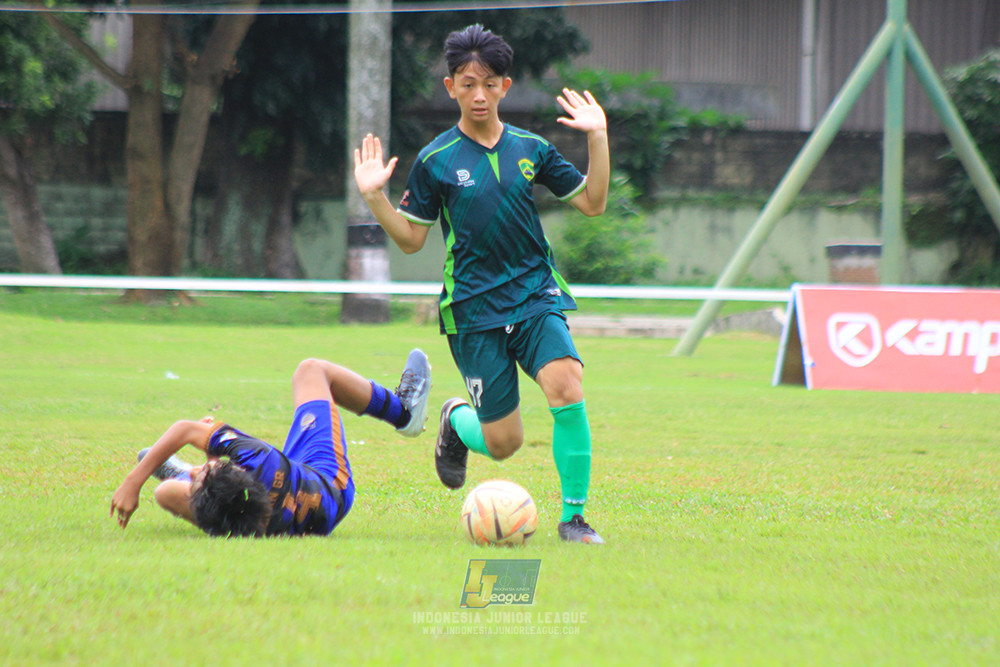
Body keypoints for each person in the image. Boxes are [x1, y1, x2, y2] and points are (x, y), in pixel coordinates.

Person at [353, 24, 609, 544]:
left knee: (567, 384)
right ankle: (455, 420)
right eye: (467, 83)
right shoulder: (435, 160)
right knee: (504, 442)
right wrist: (376, 198)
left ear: (504, 87)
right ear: (451, 87)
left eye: (488, 83)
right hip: (472, 310)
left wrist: (598, 137)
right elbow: (409, 241)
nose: (478, 94)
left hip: (535, 294)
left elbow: (592, 203)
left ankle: (574, 518)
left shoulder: (531, 148)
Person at [109, 349, 432, 537]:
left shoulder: (245, 524)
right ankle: (402, 412)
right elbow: (186, 430)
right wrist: (131, 483)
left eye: (194, 475)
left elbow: (196, 445)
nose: (198, 474)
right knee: (310, 370)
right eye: (201, 474)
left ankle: (177, 472)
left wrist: (204, 465)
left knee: (164, 492)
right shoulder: (260, 460)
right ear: (236, 469)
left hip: (286, 510)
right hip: (328, 483)